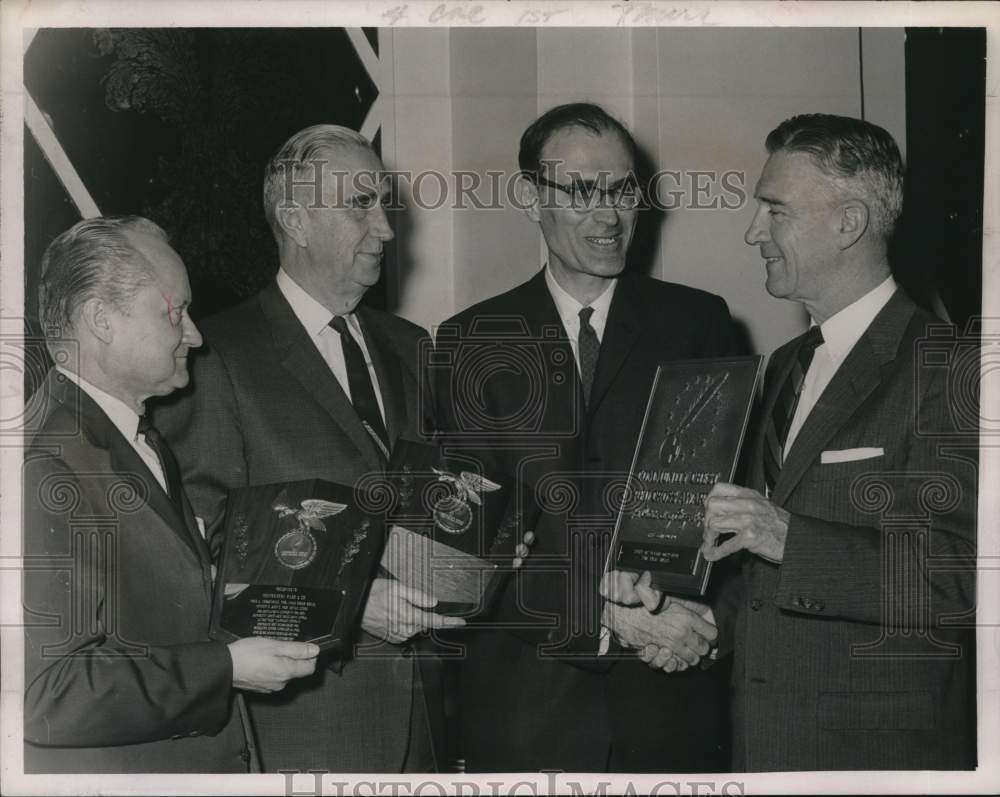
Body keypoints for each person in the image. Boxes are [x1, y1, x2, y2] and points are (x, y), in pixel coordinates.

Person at [433, 103, 738, 772]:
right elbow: (471, 544)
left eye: (624, 190)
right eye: (581, 192)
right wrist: (610, 616)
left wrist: (701, 626)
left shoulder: (698, 323)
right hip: (525, 711)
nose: (609, 215)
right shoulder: (471, 340)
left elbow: (727, 512)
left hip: (669, 703)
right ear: (530, 198)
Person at [156, 125, 464, 773]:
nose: (384, 229)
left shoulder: (411, 345)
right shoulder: (218, 355)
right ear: (295, 219)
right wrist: (346, 608)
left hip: (429, 718)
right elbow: (202, 558)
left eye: (384, 205)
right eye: (360, 205)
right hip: (311, 729)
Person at [700, 114, 977, 770]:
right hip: (763, 744)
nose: (751, 232)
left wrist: (790, 537)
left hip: (876, 755)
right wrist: (709, 625)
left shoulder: (952, 367)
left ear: (849, 223)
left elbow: (965, 575)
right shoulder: (785, 364)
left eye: (774, 211)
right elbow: (764, 571)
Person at [22, 216, 319, 773]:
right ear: (100, 319)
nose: (196, 335)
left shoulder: (131, 439)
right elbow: (48, 693)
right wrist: (225, 669)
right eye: (174, 312)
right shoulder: (45, 468)